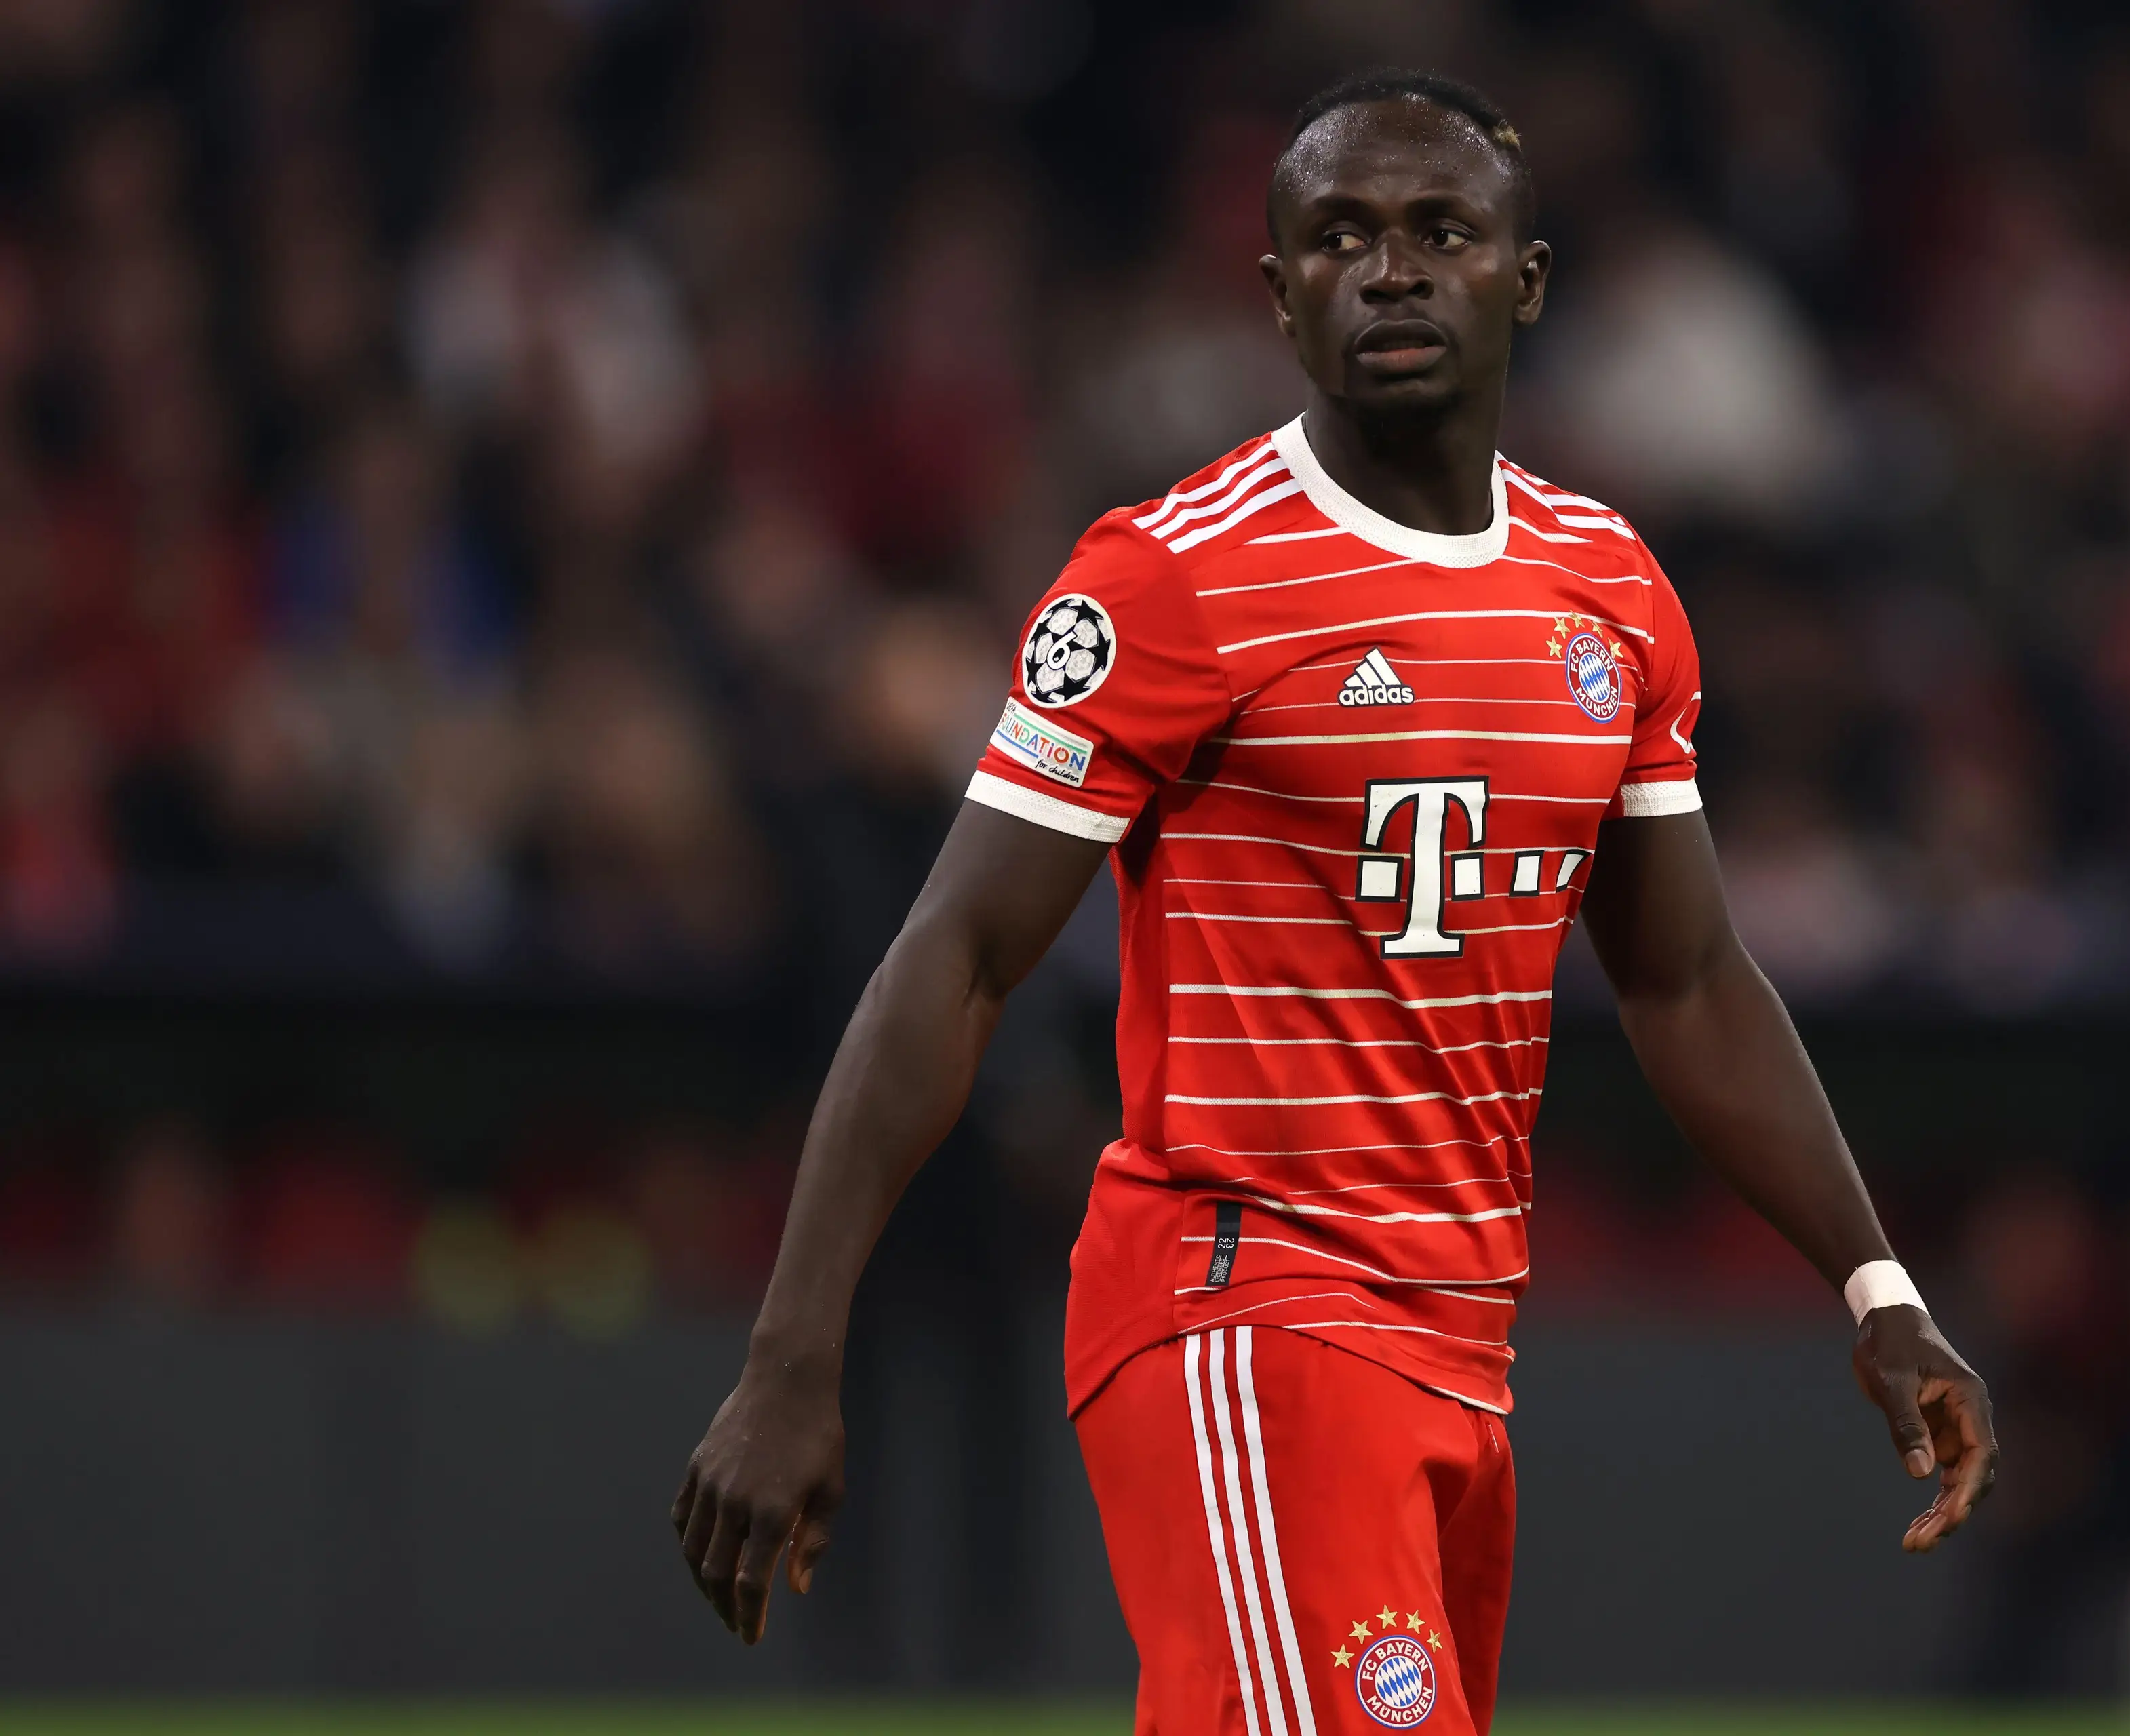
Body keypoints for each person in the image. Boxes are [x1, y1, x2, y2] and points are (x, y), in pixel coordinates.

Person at [673, 68, 1998, 1733]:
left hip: (1457, 1351)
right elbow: (952, 955)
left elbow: (1689, 981)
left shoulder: (1609, 592)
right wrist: (795, 1351)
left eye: (1439, 231)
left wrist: (1880, 1290)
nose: (1388, 269)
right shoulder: (1172, 576)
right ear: (1279, 292)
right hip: (1242, 1308)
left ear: (1523, 276)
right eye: (1339, 236)